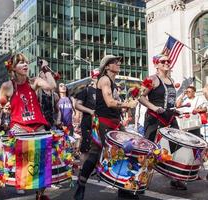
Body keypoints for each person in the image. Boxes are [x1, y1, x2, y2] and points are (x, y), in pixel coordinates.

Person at [0, 53, 56, 200]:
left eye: (26, 62)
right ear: (13, 67)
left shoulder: (34, 81)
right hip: (18, 127)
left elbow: (52, 86)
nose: (25, 65)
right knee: (5, 162)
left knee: (43, 162)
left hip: (38, 127)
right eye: (20, 63)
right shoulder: (7, 86)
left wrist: (45, 69)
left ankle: (40, 193)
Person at [74, 55, 138, 200]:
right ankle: (82, 184)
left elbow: (113, 103)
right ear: (107, 66)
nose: (119, 63)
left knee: (124, 150)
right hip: (104, 122)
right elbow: (109, 102)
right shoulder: (104, 80)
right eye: (115, 62)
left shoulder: (114, 83)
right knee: (112, 152)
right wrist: (127, 105)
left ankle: (123, 189)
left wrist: (125, 105)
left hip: (114, 122)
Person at [139, 54, 187, 190]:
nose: (167, 62)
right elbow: (140, 96)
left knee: (177, 146)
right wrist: (154, 107)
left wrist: (175, 110)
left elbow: (170, 101)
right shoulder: (151, 79)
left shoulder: (171, 80)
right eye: (163, 61)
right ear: (156, 64)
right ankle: (140, 178)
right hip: (154, 118)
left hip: (170, 117)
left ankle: (175, 178)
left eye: (168, 60)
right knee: (149, 148)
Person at [74, 69, 99, 164]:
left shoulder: (103, 91)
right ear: (93, 78)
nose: (99, 79)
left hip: (100, 123)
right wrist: (90, 111)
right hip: (88, 123)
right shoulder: (87, 90)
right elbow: (77, 105)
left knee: (98, 147)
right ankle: (82, 170)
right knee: (86, 148)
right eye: (97, 76)